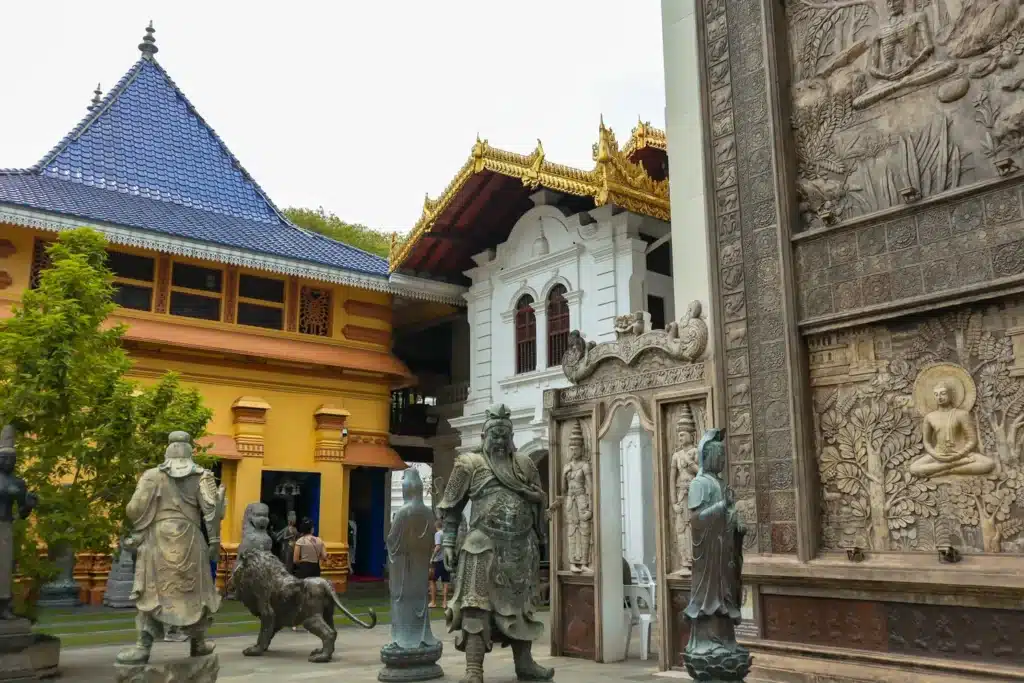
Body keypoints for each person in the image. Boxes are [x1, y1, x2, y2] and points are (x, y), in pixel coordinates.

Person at [437, 404, 554, 683]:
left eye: (505, 435)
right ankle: (473, 668)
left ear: (511, 436)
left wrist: (539, 505)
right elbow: (451, 508)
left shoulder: (524, 464)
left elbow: (539, 499)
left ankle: (524, 663)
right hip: (482, 547)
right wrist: (449, 542)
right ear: (484, 437)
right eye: (495, 435)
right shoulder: (469, 464)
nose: (500, 441)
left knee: (522, 608)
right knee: (475, 606)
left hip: (519, 549)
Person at [116, 431, 225, 665]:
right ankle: (198, 643)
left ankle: (142, 646)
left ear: (168, 449)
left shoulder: (151, 476)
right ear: (189, 450)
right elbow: (212, 512)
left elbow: (134, 510)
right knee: (194, 594)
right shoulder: (202, 476)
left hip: (157, 539)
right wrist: (215, 541)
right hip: (192, 540)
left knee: (151, 593)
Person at [428, 519, 449, 609]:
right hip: (447, 560)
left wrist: (432, 557)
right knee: (446, 582)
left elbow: (438, 546)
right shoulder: (447, 534)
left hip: (439, 560)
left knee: (432, 580)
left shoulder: (438, 534)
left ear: (436, 526)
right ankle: (444, 603)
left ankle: (433, 602)